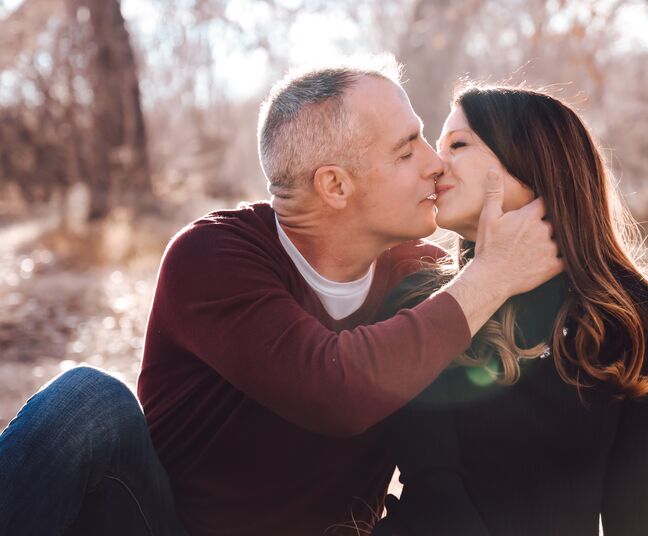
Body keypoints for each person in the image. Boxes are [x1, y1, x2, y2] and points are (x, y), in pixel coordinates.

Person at [0, 59, 563, 535]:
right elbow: (334, 390)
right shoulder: (214, 257)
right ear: (335, 185)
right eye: (405, 150)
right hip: (166, 525)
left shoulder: (420, 277)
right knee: (87, 400)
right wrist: (492, 275)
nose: (434, 163)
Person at [371, 84, 648, 536]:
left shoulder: (625, 311)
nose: (436, 164)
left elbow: (638, 515)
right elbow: (435, 490)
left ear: (532, 162)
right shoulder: (421, 307)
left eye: (457, 145)